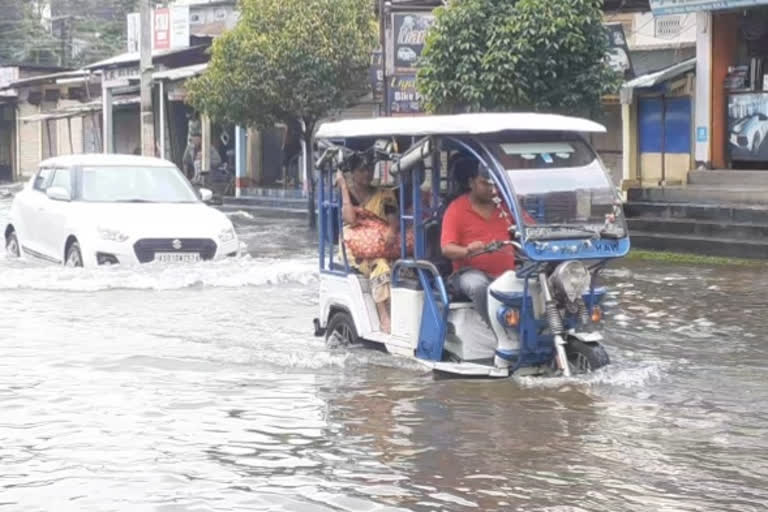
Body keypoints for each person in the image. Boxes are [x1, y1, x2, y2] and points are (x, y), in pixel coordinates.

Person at [440, 161, 516, 326]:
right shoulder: (456, 209)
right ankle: (498, 330)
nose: (491, 188)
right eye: (484, 183)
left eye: (494, 184)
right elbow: (447, 249)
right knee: (478, 286)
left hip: (507, 273)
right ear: (471, 182)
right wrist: (467, 250)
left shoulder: (505, 206)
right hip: (467, 273)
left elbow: (527, 226)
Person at [335, 153, 399, 333]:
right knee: (380, 265)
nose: (367, 174)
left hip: (381, 241)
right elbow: (350, 219)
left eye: (370, 169)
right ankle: (383, 315)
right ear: (353, 173)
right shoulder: (346, 194)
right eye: (362, 170)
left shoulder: (383, 193)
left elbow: (392, 217)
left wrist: (391, 231)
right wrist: (343, 187)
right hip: (355, 246)